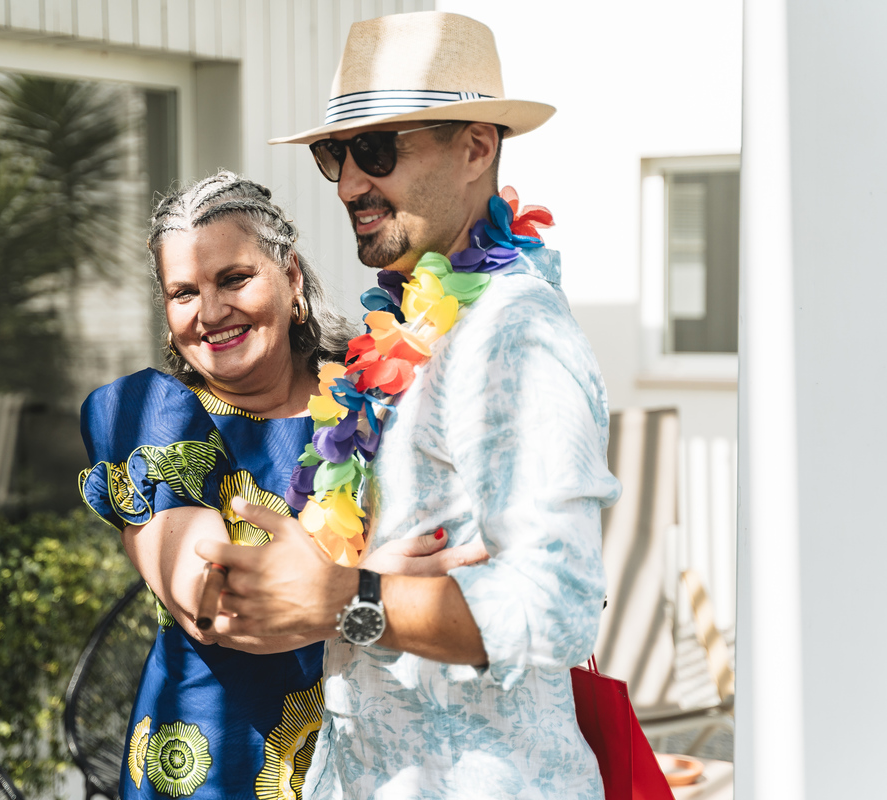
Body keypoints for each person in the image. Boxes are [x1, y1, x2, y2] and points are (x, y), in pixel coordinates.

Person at [195, 11, 622, 800]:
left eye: (378, 150)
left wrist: (341, 598)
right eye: (336, 154)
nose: (349, 184)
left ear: (476, 147)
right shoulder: (405, 328)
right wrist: (330, 575)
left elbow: (558, 607)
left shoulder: (516, 335)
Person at [78, 171, 479, 800]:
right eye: (183, 293)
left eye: (234, 279)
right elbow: (217, 607)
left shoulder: (378, 386)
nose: (210, 312)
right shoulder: (148, 415)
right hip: (216, 770)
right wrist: (373, 583)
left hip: (391, 763)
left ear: (291, 276)